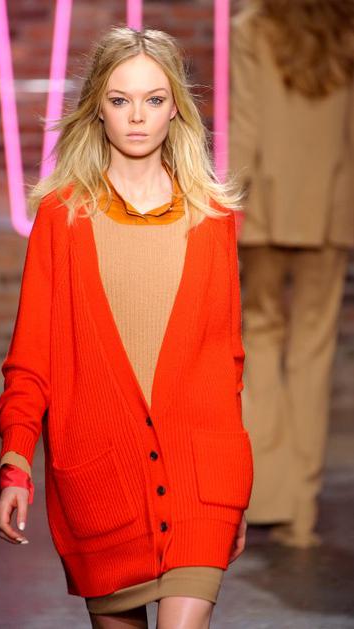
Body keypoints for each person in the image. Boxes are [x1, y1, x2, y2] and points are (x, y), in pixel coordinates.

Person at [0, 26, 254, 629]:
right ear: (98, 109)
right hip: (100, 479)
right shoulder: (62, 219)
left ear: (176, 109)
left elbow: (226, 364)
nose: (137, 117)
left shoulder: (213, 220)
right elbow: (31, 358)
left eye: (154, 99)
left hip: (200, 480)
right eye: (120, 100)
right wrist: (15, 461)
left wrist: (235, 486)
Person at [229, 0, 354, 548]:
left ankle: (269, 495)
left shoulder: (252, 28)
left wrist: (226, 201)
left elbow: (247, 123)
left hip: (266, 206)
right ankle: (300, 510)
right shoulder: (347, 28)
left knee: (259, 338)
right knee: (313, 352)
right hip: (332, 206)